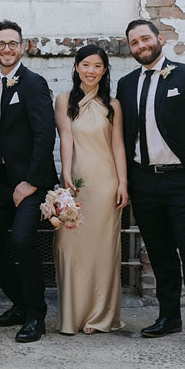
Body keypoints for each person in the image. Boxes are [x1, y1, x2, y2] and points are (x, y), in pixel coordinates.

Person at [117, 19, 185, 352]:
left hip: (182, 181)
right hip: (144, 181)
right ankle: (169, 317)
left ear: (159, 38)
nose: (141, 46)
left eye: (145, 38)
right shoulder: (126, 84)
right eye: (134, 42)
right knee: (160, 255)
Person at [0, 19, 58, 343]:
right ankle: (20, 304)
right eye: (1, 43)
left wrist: (31, 182)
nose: (7, 49)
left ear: (23, 47)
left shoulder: (33, 83)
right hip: (1, 182)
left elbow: (45, 133)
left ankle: (36, 316)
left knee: (24, 240)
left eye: (13, 43)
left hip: (32, 181)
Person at [53, 44, 127, 335]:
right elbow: (66, 138)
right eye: (85, 65)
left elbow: (118, 145)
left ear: (105, 70)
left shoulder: (113, 105)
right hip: (77, 184)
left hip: (106, 184)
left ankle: (100, 317)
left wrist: (123, 183)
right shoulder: (63, 100)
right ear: (76, 67)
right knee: (69, 247)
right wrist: (66, 175)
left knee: (103, 251)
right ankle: (73, 314)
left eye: (97, 66)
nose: (91, 71)